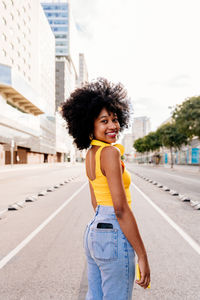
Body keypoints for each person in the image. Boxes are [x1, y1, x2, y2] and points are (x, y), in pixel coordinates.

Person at [62, 78, 150, 300]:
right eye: (104, 121)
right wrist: (142, 255)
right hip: (113, 231)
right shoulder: (110, 154)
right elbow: (120, 209)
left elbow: (96, 202)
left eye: (115, 119)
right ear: (89, 124)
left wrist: (104, 232)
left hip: (94, 231)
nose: (113, 126)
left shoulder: (91, 154)